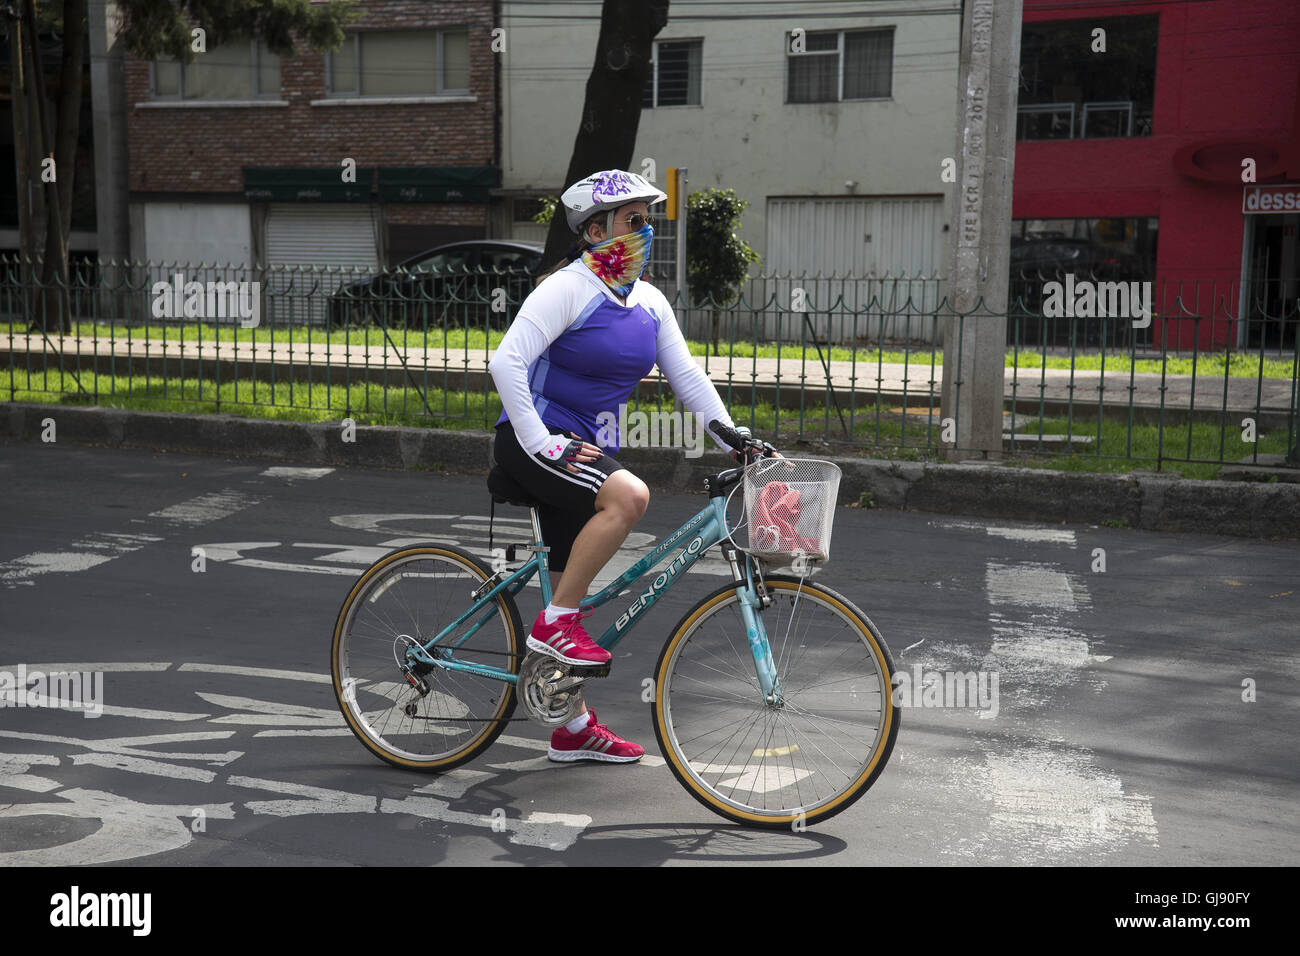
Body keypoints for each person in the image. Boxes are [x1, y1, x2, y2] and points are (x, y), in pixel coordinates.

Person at [488, 169, 740, 763]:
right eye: (634, 220)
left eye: (648, 219)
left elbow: (690, 381)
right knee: (629, 498)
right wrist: (539, 440)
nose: (645, 230)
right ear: (595, 229)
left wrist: (740, 440)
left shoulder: (649, 301)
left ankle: (571, 728)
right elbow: (506, 363)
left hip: (585, 451)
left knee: (579, 578)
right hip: (537, 443)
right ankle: (554, 622)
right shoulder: (567, 289)